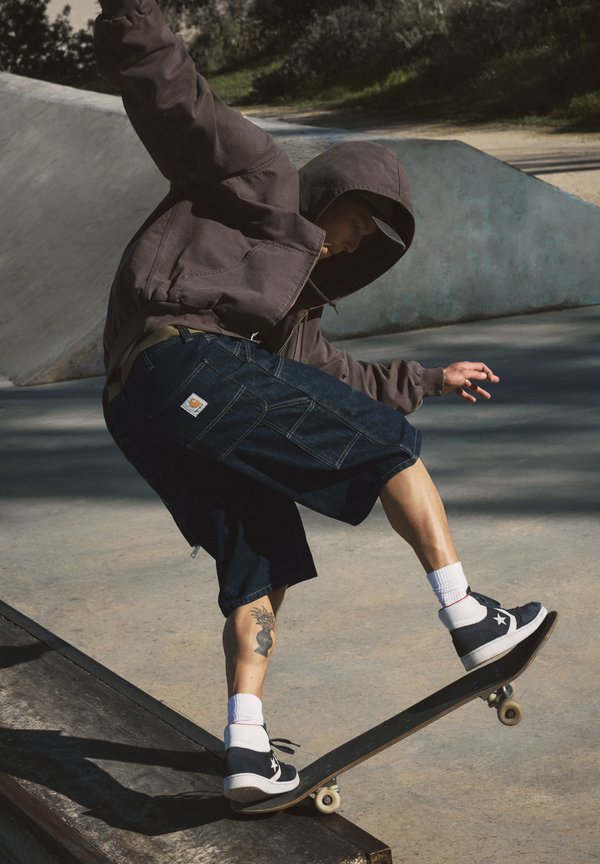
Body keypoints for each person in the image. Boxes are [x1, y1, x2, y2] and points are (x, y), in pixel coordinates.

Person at [94, 0, 548, 805]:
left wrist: (431, 379)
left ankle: (245, 745)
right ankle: (470, 617)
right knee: (388, 445)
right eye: (359, 222)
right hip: (181, 360)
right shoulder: (261, 175)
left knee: (260, 553)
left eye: (372, 241)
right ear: (332, 190)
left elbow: (334, 376)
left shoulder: (288, 315)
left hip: (143, 410)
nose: (357, 242)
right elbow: (175, 97)